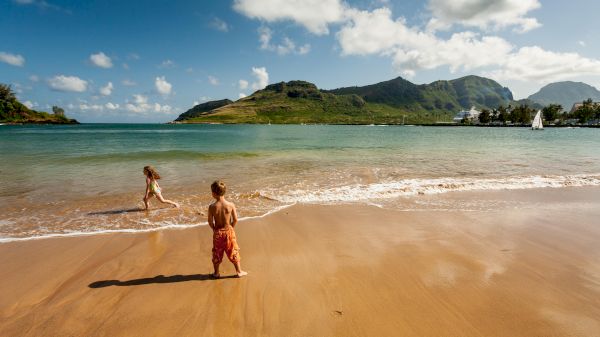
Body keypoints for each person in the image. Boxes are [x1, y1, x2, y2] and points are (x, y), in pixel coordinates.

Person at [208, 180, 247, 278]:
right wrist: (231, 228)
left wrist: (214, 229)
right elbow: (235, 219)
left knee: (217, 252)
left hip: (218, 232)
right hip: (229, 231)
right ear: (224, 192)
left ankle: (216, 273)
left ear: (213, 193)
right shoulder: (230, 205)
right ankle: (239, 271)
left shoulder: (212, 207)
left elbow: (210, 222)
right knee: (233, 250)